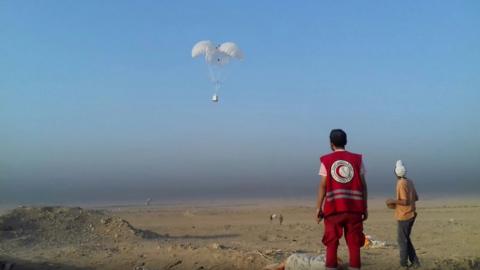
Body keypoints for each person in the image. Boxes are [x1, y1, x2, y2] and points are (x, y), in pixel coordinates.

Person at [316, 129, 368, 270]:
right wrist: (365, 207)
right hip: (354, 209)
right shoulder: (357, 160)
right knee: (354, 243)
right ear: (346, 142)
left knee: (331, 242)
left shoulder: (326, 160)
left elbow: (323, 186)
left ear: (331, 143)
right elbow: (363, 186)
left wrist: (318, 208)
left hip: (333, 210)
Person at [386, 160, 420, 268]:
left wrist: (392, 201)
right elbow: (416, 198)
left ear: (396, 172)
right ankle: (415, 262)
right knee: (406, 239)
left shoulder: (401, 183)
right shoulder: (409, 181)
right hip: (411, 214)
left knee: (402, 241)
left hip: (404, 216)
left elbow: (404, 201)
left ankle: (403, 264)